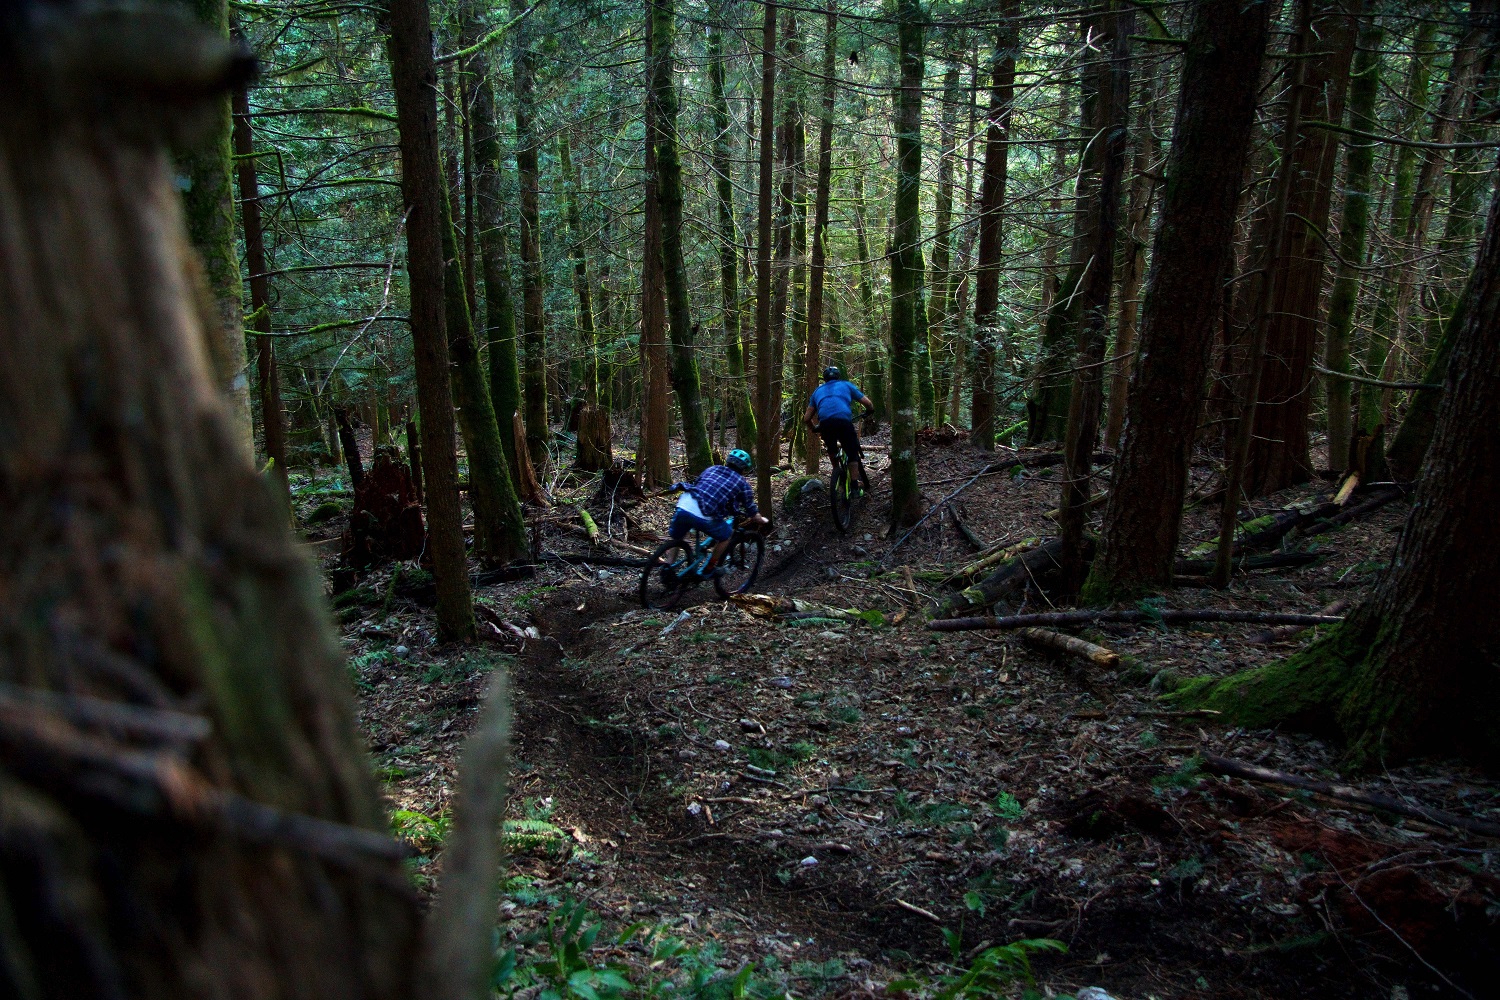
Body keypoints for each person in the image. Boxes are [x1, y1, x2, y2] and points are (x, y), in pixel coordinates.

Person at [669, 449, 768, 573]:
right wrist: (761, 519)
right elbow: (751, 509)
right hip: (704, 513)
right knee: (726, 536)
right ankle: (710, 567)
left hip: (684, 504)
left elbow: (699, 484)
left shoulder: (712, 469)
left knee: (678, 538)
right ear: (744, 469)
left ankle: (668, 565)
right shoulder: (743, 483)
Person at [804, 366, 874, 494]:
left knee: (832, 449)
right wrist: (869, 411)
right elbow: (868, 403)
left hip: (826, 424)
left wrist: (814, 428)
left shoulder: (817, 391)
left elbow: (807, 418)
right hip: (843, 422)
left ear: (825, 379)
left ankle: (836, 471)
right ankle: (854, 486)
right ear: (838, 376)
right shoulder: (846, 385)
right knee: (852, 453)